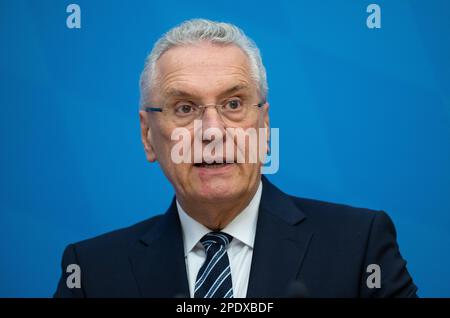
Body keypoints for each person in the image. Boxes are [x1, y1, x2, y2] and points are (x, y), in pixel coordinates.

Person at [54, 19, 417, 298]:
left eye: (233, 104)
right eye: (184, 108)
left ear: (264, 124)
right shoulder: (92, 272)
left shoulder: (359, 248)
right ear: (148, 135)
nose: (212, 131)